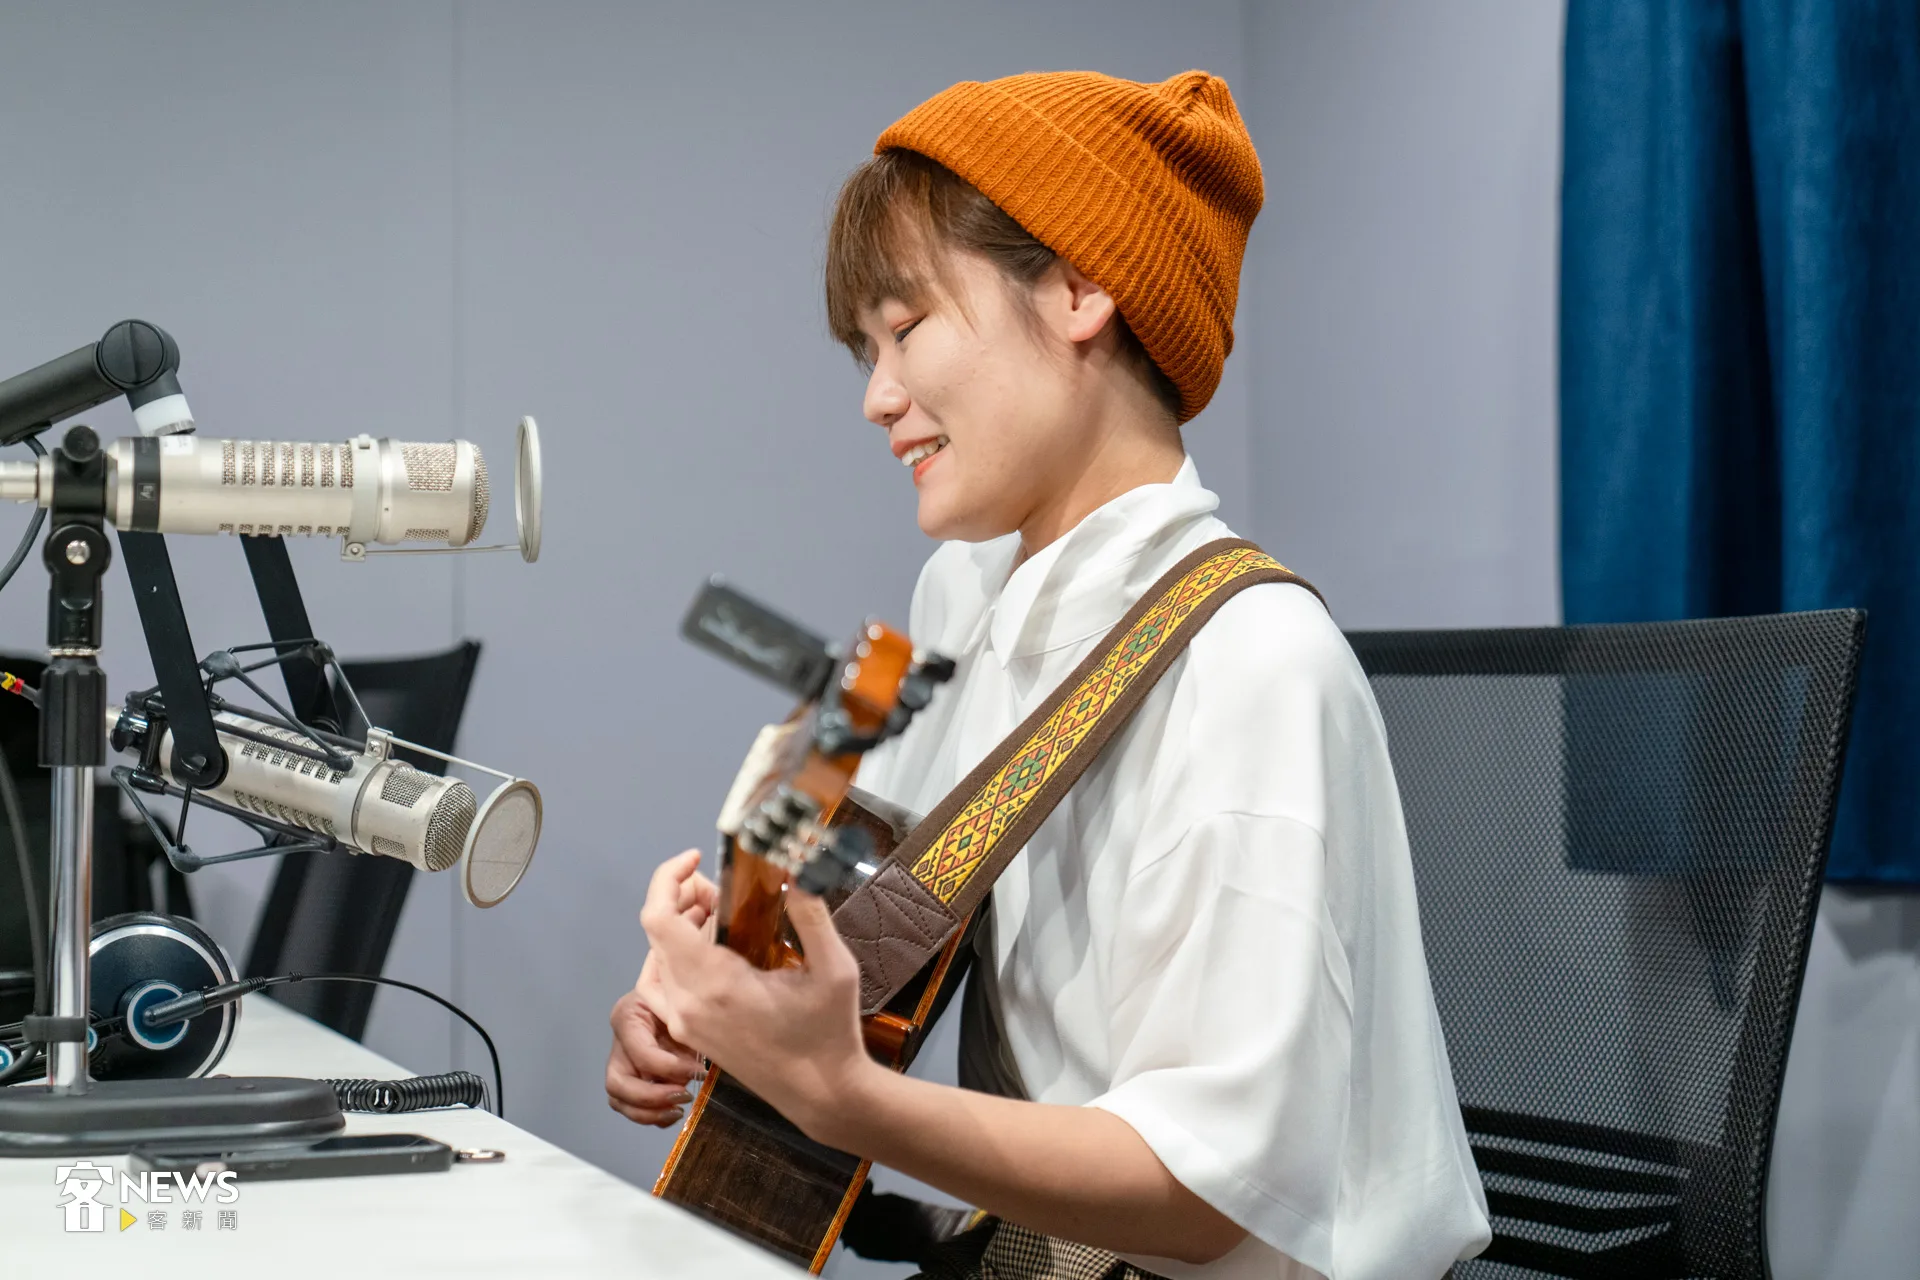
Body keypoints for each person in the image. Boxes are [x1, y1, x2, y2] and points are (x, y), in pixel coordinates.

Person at [606, 69, 1490, 1280]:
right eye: (865, 351)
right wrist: (714, 1001)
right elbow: (852, 921)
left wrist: (843, 1096)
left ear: (1079, 289)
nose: (877, 397)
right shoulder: (962, 598)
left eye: (906, 328)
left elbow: (1205, 1193)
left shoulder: (1256, 667)